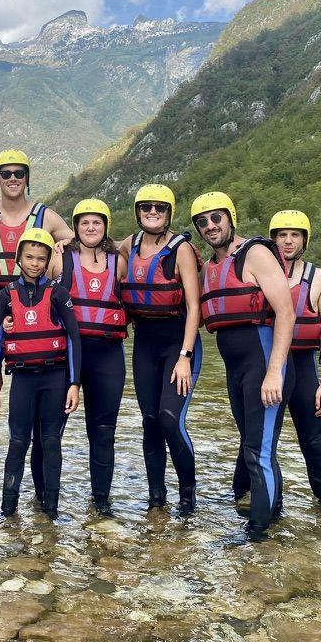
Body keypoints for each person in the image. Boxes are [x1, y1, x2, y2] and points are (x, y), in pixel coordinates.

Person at [196, 192, 295, 540]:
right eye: (203, 221)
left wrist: (274, 372)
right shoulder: (210, 267)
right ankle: (274, 515)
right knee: (257, 446)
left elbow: (286, 312)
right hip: (237, 370)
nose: (211, 226)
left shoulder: (255, 254)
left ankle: (257, 533)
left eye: (216, 218)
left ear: (230, 217)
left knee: (258, 450)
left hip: (265, 365)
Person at [118, 184, 202, 516]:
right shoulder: (130, 245)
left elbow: (194, 308)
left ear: (169, 213)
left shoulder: (180, 250)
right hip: (145, 345)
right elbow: (100, 250)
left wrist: (185, 357)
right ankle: (156, 497)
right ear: (138, 211)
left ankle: (187, 494)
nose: (153, 212)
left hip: (178, 344)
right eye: (146, 207)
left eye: (160, 208)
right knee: (150, 420)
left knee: (170, 418)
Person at [0, 228, 81, 520]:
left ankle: (51, 510)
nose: (35, 263)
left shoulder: (58, 293)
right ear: (19, 258)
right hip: (24, 380)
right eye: (29, 257)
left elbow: (74, 338)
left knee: (51, 441)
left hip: (55, 378)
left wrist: (74, 383)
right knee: (18, 442)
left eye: (41, 258)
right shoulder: (6, 295)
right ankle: (8, 511)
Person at [57, 199, 127, 516]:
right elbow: (34, 296)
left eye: (96, 222)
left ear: (105, 226)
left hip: (108, 355)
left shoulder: (119, 262)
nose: (90, 228)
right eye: (84, 222)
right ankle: (47, 499)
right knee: (51, 428)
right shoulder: (60, 260)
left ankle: (101, 501)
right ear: (75, 227)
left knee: (102, 432)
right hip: (67, 355)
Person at [268, 211, 321, 512]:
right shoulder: (262, 271)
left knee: (313, 443)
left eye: (295, 235)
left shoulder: (318, 278)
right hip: (272, 367)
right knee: (261, 439)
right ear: (273, 240)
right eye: (282, 235)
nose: (288, 240)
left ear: (304, 240)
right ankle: (262, 501)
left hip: (305, 365)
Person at [0, 150, 73, 293]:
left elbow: (84, 244)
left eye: (19, 173)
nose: (13, 178)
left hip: (33, 303)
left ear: (26, 178)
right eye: (6, 174)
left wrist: (69, 242)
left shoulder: (46, 217)